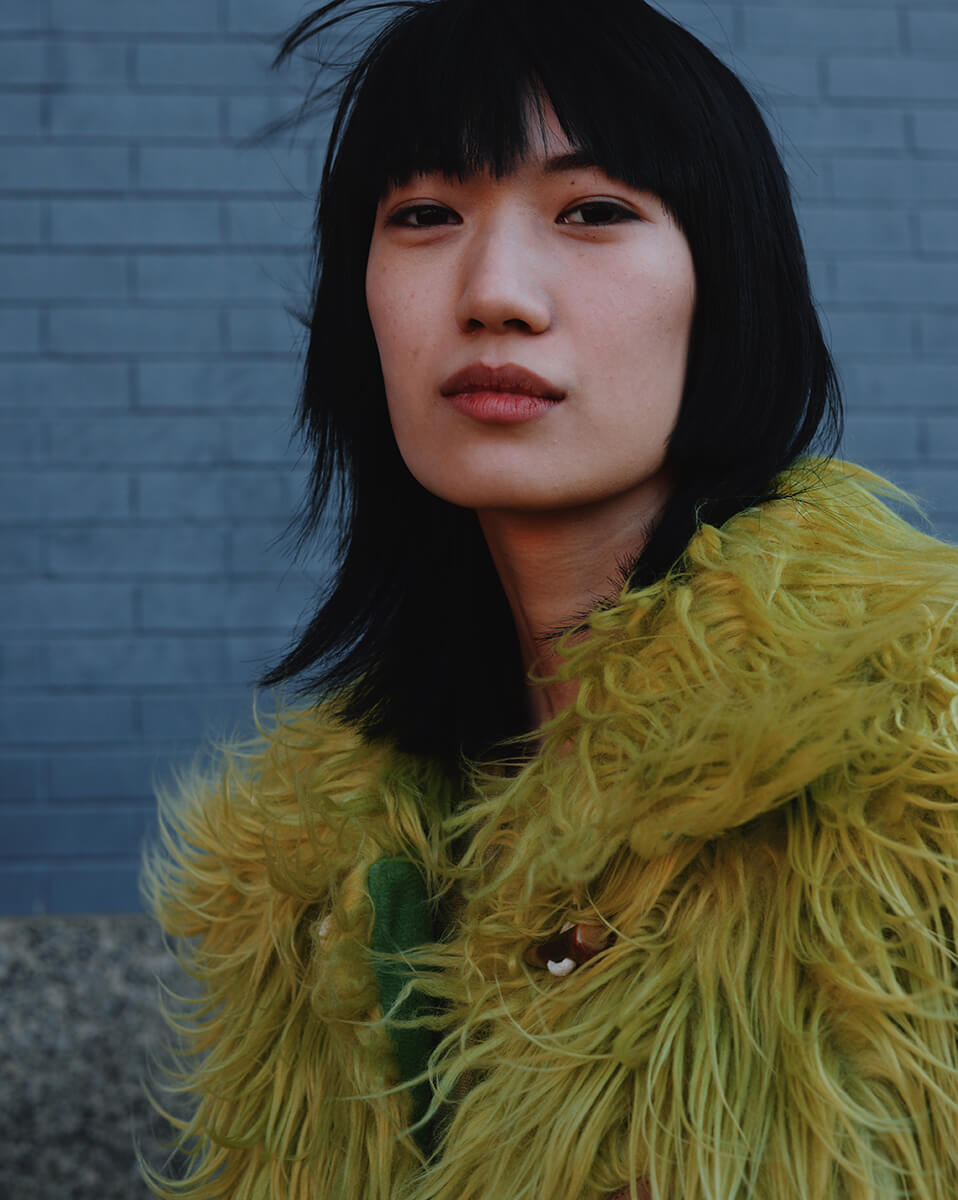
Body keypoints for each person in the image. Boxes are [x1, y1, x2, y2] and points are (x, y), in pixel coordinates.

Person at [140, 2, 958, 1198]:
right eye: (424, 215)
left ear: (727, 281)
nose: (495, 294)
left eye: (593, 211)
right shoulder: (306, 870)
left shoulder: (917, 753)